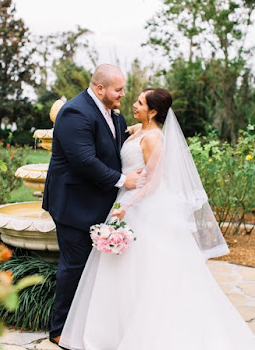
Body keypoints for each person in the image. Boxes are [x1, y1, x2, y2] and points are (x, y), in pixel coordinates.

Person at [60, 88, 255, 350]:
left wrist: (126, 206)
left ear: (153, 111)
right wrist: (131, 131)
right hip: (125, 201)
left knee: (147, 269)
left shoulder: (154, 138)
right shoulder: (138, 130)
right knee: (120, 269)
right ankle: (115, 330)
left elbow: (153, 182)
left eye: (140, 102)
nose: (134, 104)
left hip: (143, 207)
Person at [42, 64, 143, 346]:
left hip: (98, 203)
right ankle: (59, 329)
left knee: (92, 268)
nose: (123, 94)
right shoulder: (75, 112)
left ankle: (84, 322)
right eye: (118, 89)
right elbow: (84, 161)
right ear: (100, 89)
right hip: (73, 204)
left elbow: (113, 146)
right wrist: (124, 180)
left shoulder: (112, 113)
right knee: (74, 266)